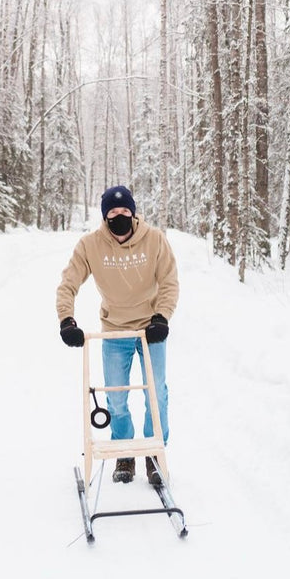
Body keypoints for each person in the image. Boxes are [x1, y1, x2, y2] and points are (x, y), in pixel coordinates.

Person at [56, 185, 179, 485]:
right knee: (117, 397)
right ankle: (125, 451)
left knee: (156, 394)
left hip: (150, 329)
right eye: (113, 213)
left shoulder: (154, 240)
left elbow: (169, 282)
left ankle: (153, 450)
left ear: (133, 214)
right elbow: (68, 283)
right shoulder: (90, 245)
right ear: (104, 217)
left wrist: (162, 317)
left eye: (125, 212)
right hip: (114, 330)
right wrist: (66, 320)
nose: (119, 218)